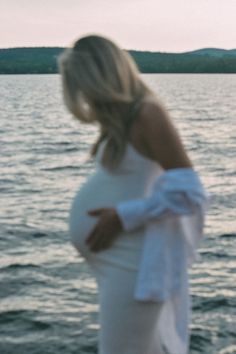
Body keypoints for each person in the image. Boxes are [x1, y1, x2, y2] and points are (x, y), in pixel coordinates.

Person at [58, 34, 208, 354]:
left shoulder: (146, 113)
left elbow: (190, 192)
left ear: (100, 76)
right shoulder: (121, 119)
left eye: (82, 84)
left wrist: (123, 215)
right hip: (117, 261)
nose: (82, 95)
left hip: (133, 265)